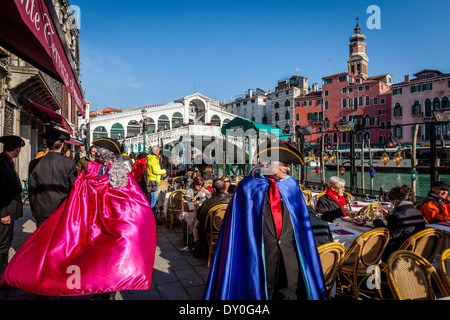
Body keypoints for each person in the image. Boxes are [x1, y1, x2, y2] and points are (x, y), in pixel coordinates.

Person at [0, 137, 156, 299]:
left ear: (99, 155)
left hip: (93, 227)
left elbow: (77, 201)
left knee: (95, 258)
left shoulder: (87, 176)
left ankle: (97, 288)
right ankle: (106, 291)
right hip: (116, 228)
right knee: (109, 260)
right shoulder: (123, 179)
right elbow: (137, 205)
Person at [204, 141, 327, 300]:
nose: (288, 168)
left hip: (289, 253)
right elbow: (239, 226)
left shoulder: (291, 185)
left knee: (290, 290)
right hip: (259, 255)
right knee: (263, 292)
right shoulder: (247, 187)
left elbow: (301, 223)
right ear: (270, 163)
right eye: (284, 164)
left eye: (288, 165)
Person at [28, 131, 77, 227]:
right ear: (62, 145)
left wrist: (34, 210)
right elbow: (74, 188)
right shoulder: (69, 163)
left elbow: (32, 188)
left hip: (42, 209)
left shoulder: (34, 163)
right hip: (62, 208)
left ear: (47, 145)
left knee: (43, 239)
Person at [374, 184, 426, 262]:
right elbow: (403, 224)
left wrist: (377, 221)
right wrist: (389, 215)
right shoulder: (418, 212)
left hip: (398, 255)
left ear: (396, 201)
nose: (391, 203)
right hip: (416, 252)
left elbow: (388, 236)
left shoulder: (398, 215)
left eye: (391, 201)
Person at [0, 136, 25, 277]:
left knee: (5, 244)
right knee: (2, 246)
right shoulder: (2, 163)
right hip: (5, 212)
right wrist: (3, 213)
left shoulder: (6, 161)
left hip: (8, 211)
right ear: (17, 149)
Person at [192, 179, 231, 256]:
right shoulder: (231, 201)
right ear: (224, 188)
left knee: (197, 226)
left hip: (211, 230)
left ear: (214, 190)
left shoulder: (208, 202)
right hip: (229, 229)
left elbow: (199, 216)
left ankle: (200, 247)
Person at [147, 145, 166, 224]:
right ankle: (153, 219)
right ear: (156, 151)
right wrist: (165, 171)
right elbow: (156, 171)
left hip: (150, 180)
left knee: (152, 199)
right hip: (153, 180)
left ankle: (151, 217)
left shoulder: (150, 158)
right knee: (154, 200)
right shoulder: (154, 159)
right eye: (158, 151)